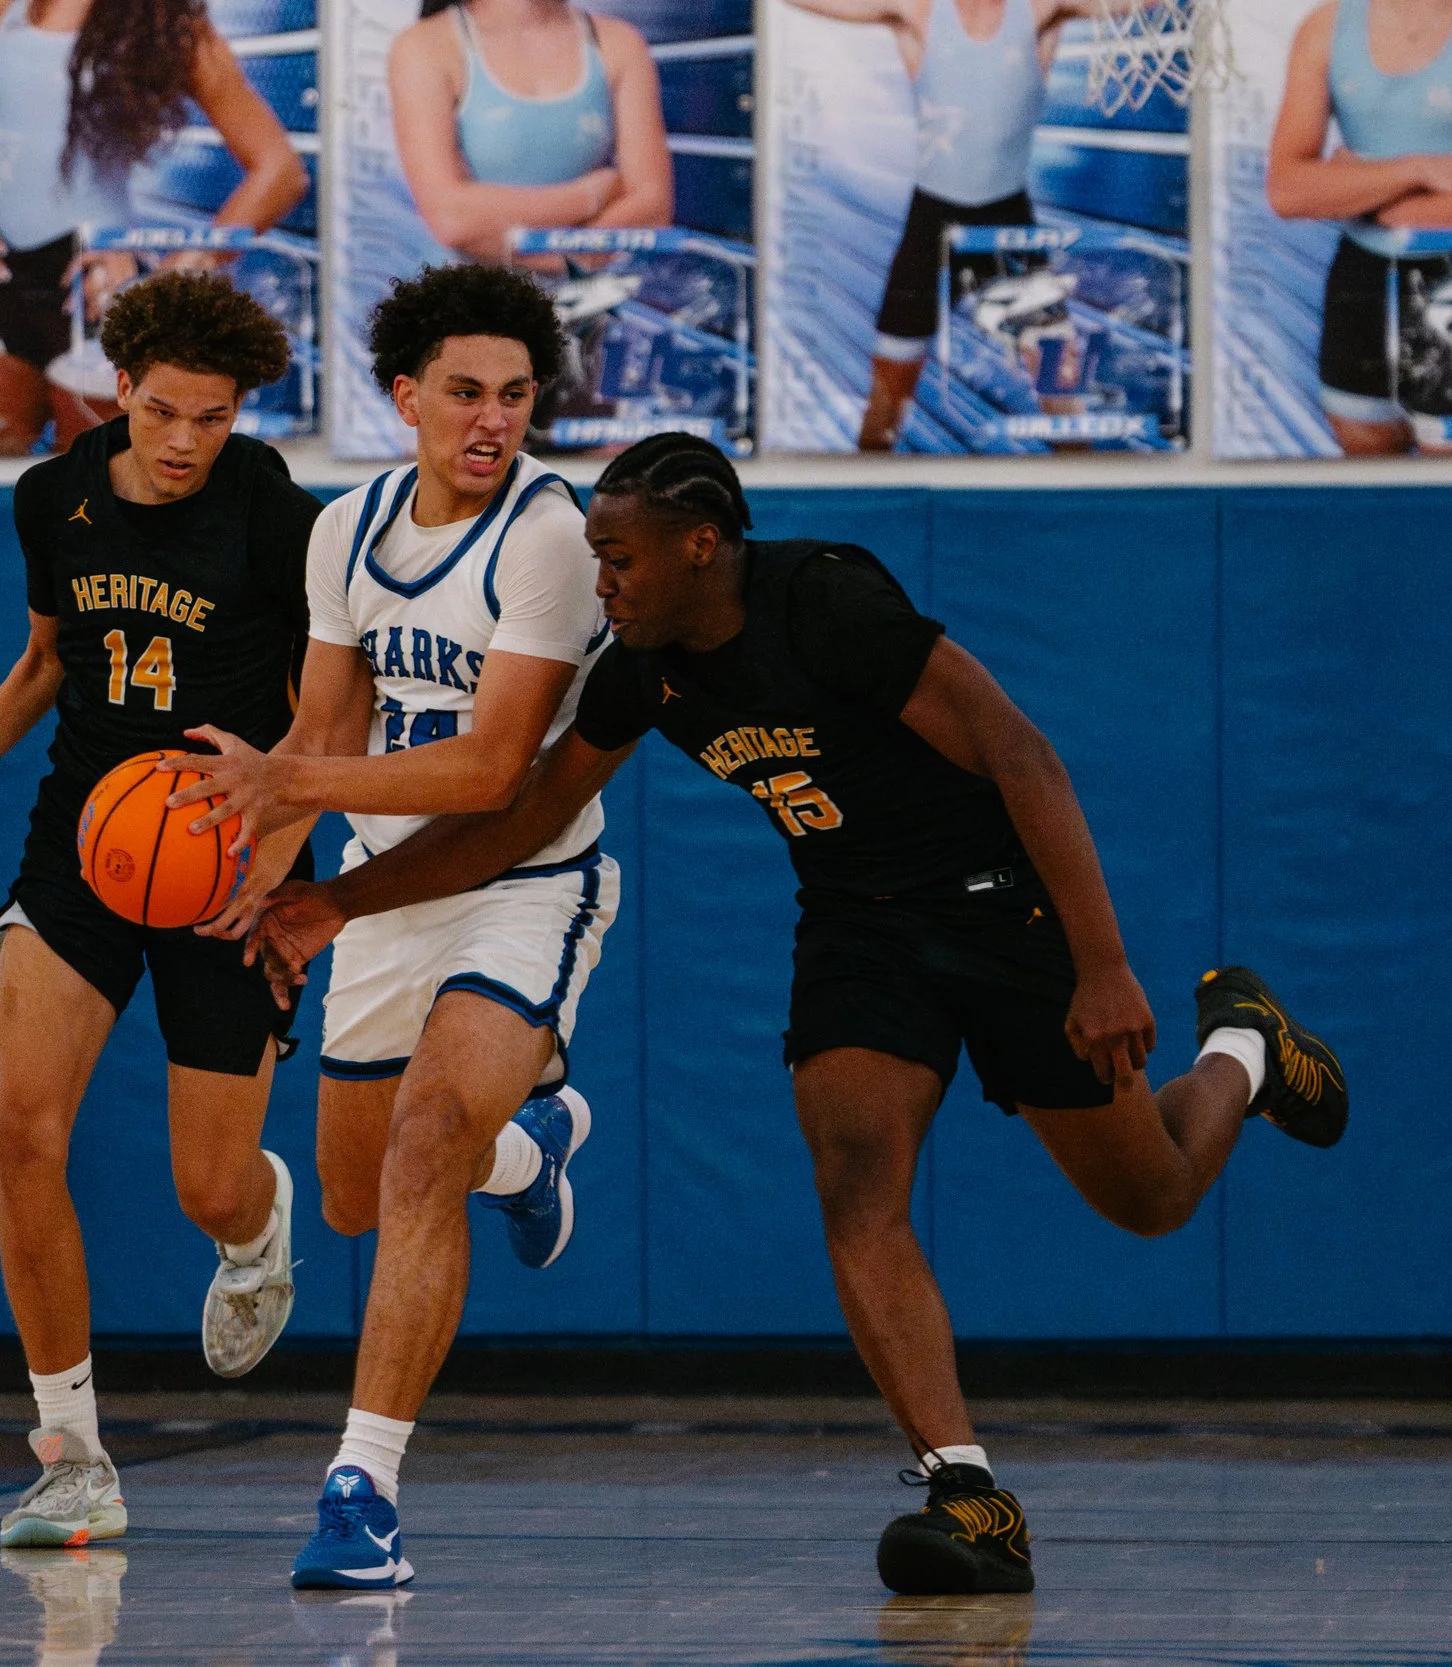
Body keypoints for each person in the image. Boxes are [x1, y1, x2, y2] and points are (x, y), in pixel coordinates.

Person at [246, 433, 1351, 1596]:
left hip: (999, 914)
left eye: (619, 558)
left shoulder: (826, 601)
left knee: (1154, 1196)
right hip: (859, 931)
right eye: (593, 560)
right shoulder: (640, 668)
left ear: (701, 546)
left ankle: (1241, 1044)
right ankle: (964, 1489)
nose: (602, 583)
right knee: (855, 1175)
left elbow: (1021, 756)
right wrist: (330, 898)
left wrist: (1103, 965)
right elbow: (518, 822)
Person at [0, 272, 322, 1548]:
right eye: (163, 411)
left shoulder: (276, 511)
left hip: (225, 856)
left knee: (202, 1185)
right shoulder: (52, 496)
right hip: (85, 847)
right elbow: (49, 661)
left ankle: (254, 1222)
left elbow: (333, 702)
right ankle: (71, 1455)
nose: (183, 441)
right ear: (119, 388)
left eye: (210, 418)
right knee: (19, 1128)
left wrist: (288, 841)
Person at [158, 263, 614, 1591]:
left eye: (516, 395)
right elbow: (323, 736)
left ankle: (362, 1489)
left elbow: (488, 772)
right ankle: (528, 1157)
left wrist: (292, 781)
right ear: (405, 394)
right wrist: (265, 890)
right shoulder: (343, 528)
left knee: (423, 1149)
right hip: (379, 891)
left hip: (526, 880)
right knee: (356, 1197)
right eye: (465, 391)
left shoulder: (547, 536)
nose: (491, 418)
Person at [0, 0, 307, 456]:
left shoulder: (165, 20)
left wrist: (187, 263)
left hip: (103, 298)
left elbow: (280, 171)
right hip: (9, 281)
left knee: (99, 507)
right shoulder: (0, 9)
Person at [783, 0, 1113, 451]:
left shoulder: (1038, 9)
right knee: (885, 409)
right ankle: (864, 513)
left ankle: (1088, 511)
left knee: (1062, 397)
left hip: (1004, 221)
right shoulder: (917, 10)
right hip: (931, 225)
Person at [1266, 0, 1452, 454]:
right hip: (1360, 282)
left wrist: (1355, 191)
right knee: (1374, 495)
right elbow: (1287, 191)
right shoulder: (1324, 28)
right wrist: (1417, 171)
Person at [386, 0, 673, 265]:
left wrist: (571, 264)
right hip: (462, 307)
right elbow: (451, 218)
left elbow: (652, 204)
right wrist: (591, 196)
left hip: (582, 307)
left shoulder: (619, 44)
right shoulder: (424, 48)